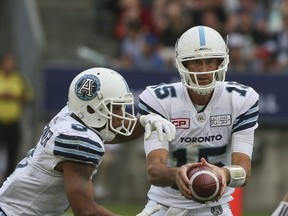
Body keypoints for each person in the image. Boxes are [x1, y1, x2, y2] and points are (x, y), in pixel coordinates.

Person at [0, 67, 176, 216]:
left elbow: (114, 131)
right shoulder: (78, 140)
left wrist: (144, 121)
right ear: (91, 109)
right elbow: (85, 211)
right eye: (114, 108)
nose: (121, 115)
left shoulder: (72, 115)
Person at [136, 25, 259, 216]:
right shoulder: (158, 99)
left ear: (221, 62)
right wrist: (177, 174)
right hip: (164, 204)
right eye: (195, 62)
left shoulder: (241, 99)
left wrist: (223, 174)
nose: (203, 70)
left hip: (214, 207)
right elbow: (154, 171)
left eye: (210, 61)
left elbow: (244, 172)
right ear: (182, 65)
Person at [0, 52, 34, 180]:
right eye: (7, 62)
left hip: (13, 123)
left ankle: (6, 182)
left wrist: (15, 97)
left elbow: (29, 98)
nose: (9, 65)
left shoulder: (20, 79)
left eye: (12, 62)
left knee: (11, 154)